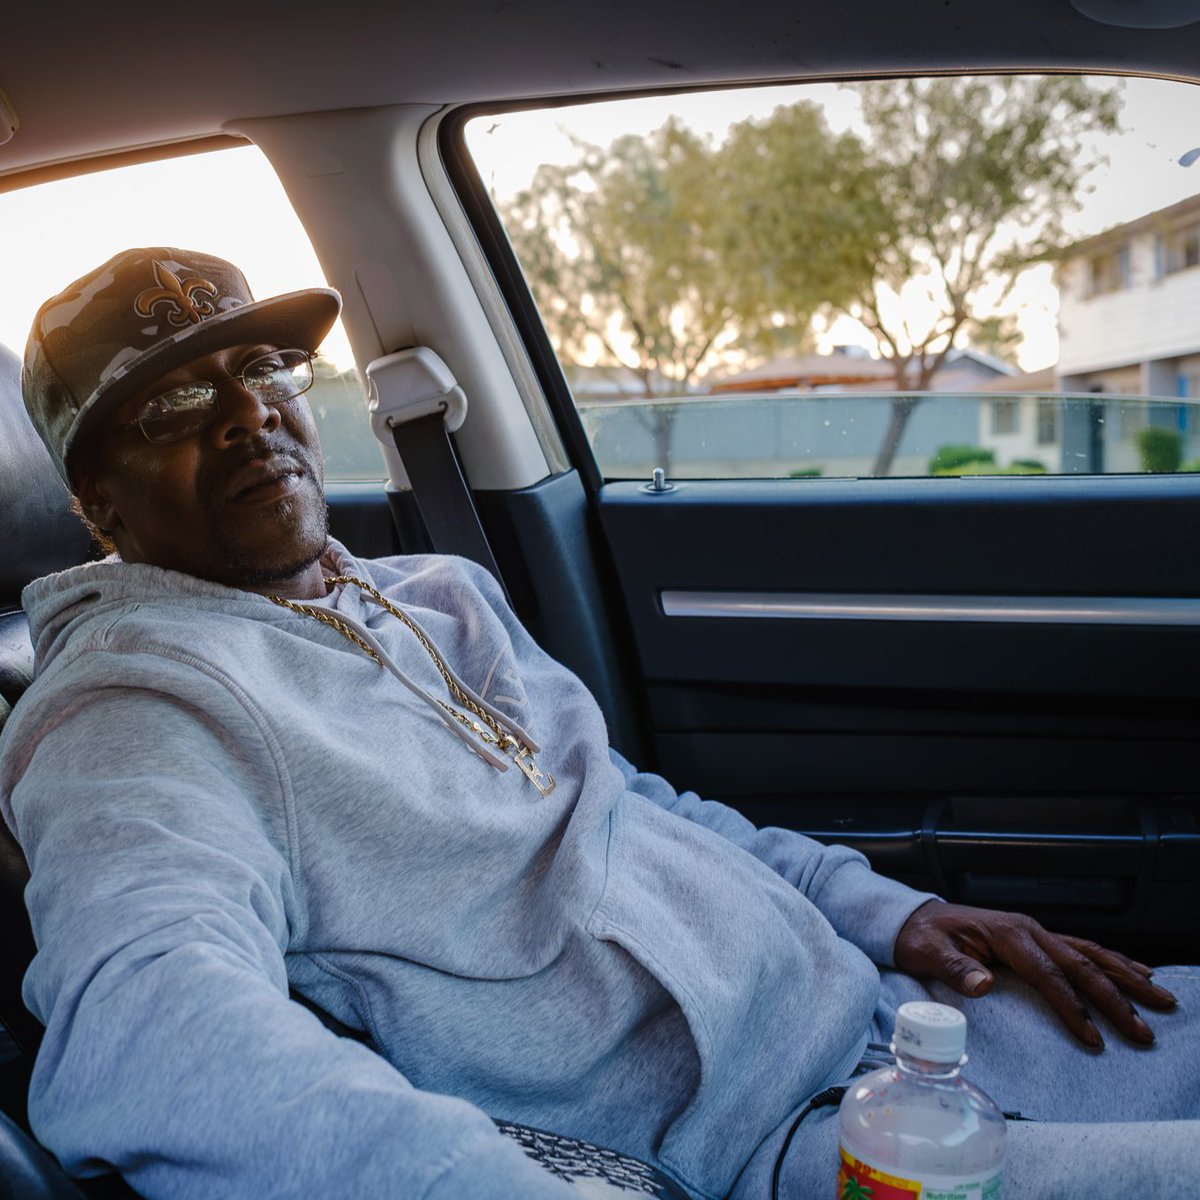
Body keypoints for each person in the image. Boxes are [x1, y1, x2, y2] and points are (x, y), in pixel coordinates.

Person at [0, 247, 1194, 1200]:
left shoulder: (432, 593)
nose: (248, 414)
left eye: (265, 367)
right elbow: (149, 1022)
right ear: (96, 502)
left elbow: (632, 804)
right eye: (176, 403)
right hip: (770, 1150)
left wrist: (893, 910)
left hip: (889, 1022)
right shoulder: (135, 710)